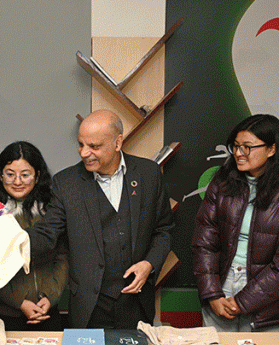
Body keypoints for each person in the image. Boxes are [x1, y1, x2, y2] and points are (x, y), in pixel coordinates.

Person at [26, 109, 174, 329]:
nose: (84, 153)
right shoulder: (66, 183)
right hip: (89, 307)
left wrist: (149, 264)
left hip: (137, 304)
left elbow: (164, 230)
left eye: (94, 146)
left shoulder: (148, 174)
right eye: (81, 144)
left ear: (118, 143)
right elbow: (46, 233)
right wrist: (2, 235)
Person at [192, 114, 279, 332]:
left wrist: (244, 301)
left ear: (271, 149)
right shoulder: (221, 183)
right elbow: (204, 242)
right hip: (221, 287)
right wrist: (212, 293)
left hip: (266, 297)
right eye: (236, 146)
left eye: (247, 147)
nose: (239, 153)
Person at [0, 141, 68, 331]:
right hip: (0, 314)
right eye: (10, 174)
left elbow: (63, 256)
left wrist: (50, 296)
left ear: (37, 176)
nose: (17, 182)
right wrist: (20, 302)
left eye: (25, 175)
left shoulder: (53, 210)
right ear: (0, 175)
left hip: (47, 311)